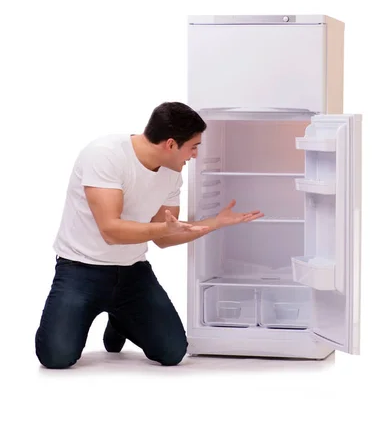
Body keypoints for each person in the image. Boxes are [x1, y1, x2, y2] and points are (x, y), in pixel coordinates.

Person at [35, 102, 263, 369]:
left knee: (172, 352)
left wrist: (216, 222)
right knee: (56, 357)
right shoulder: (104, 155)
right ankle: (115, 314)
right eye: (193, 147)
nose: (195, 155)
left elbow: (165, 237)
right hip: (81, 270)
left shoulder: (171, 174)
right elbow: (111, 230)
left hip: (132, 272)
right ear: (170, 144)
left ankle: (121, 318)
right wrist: (162, 229)